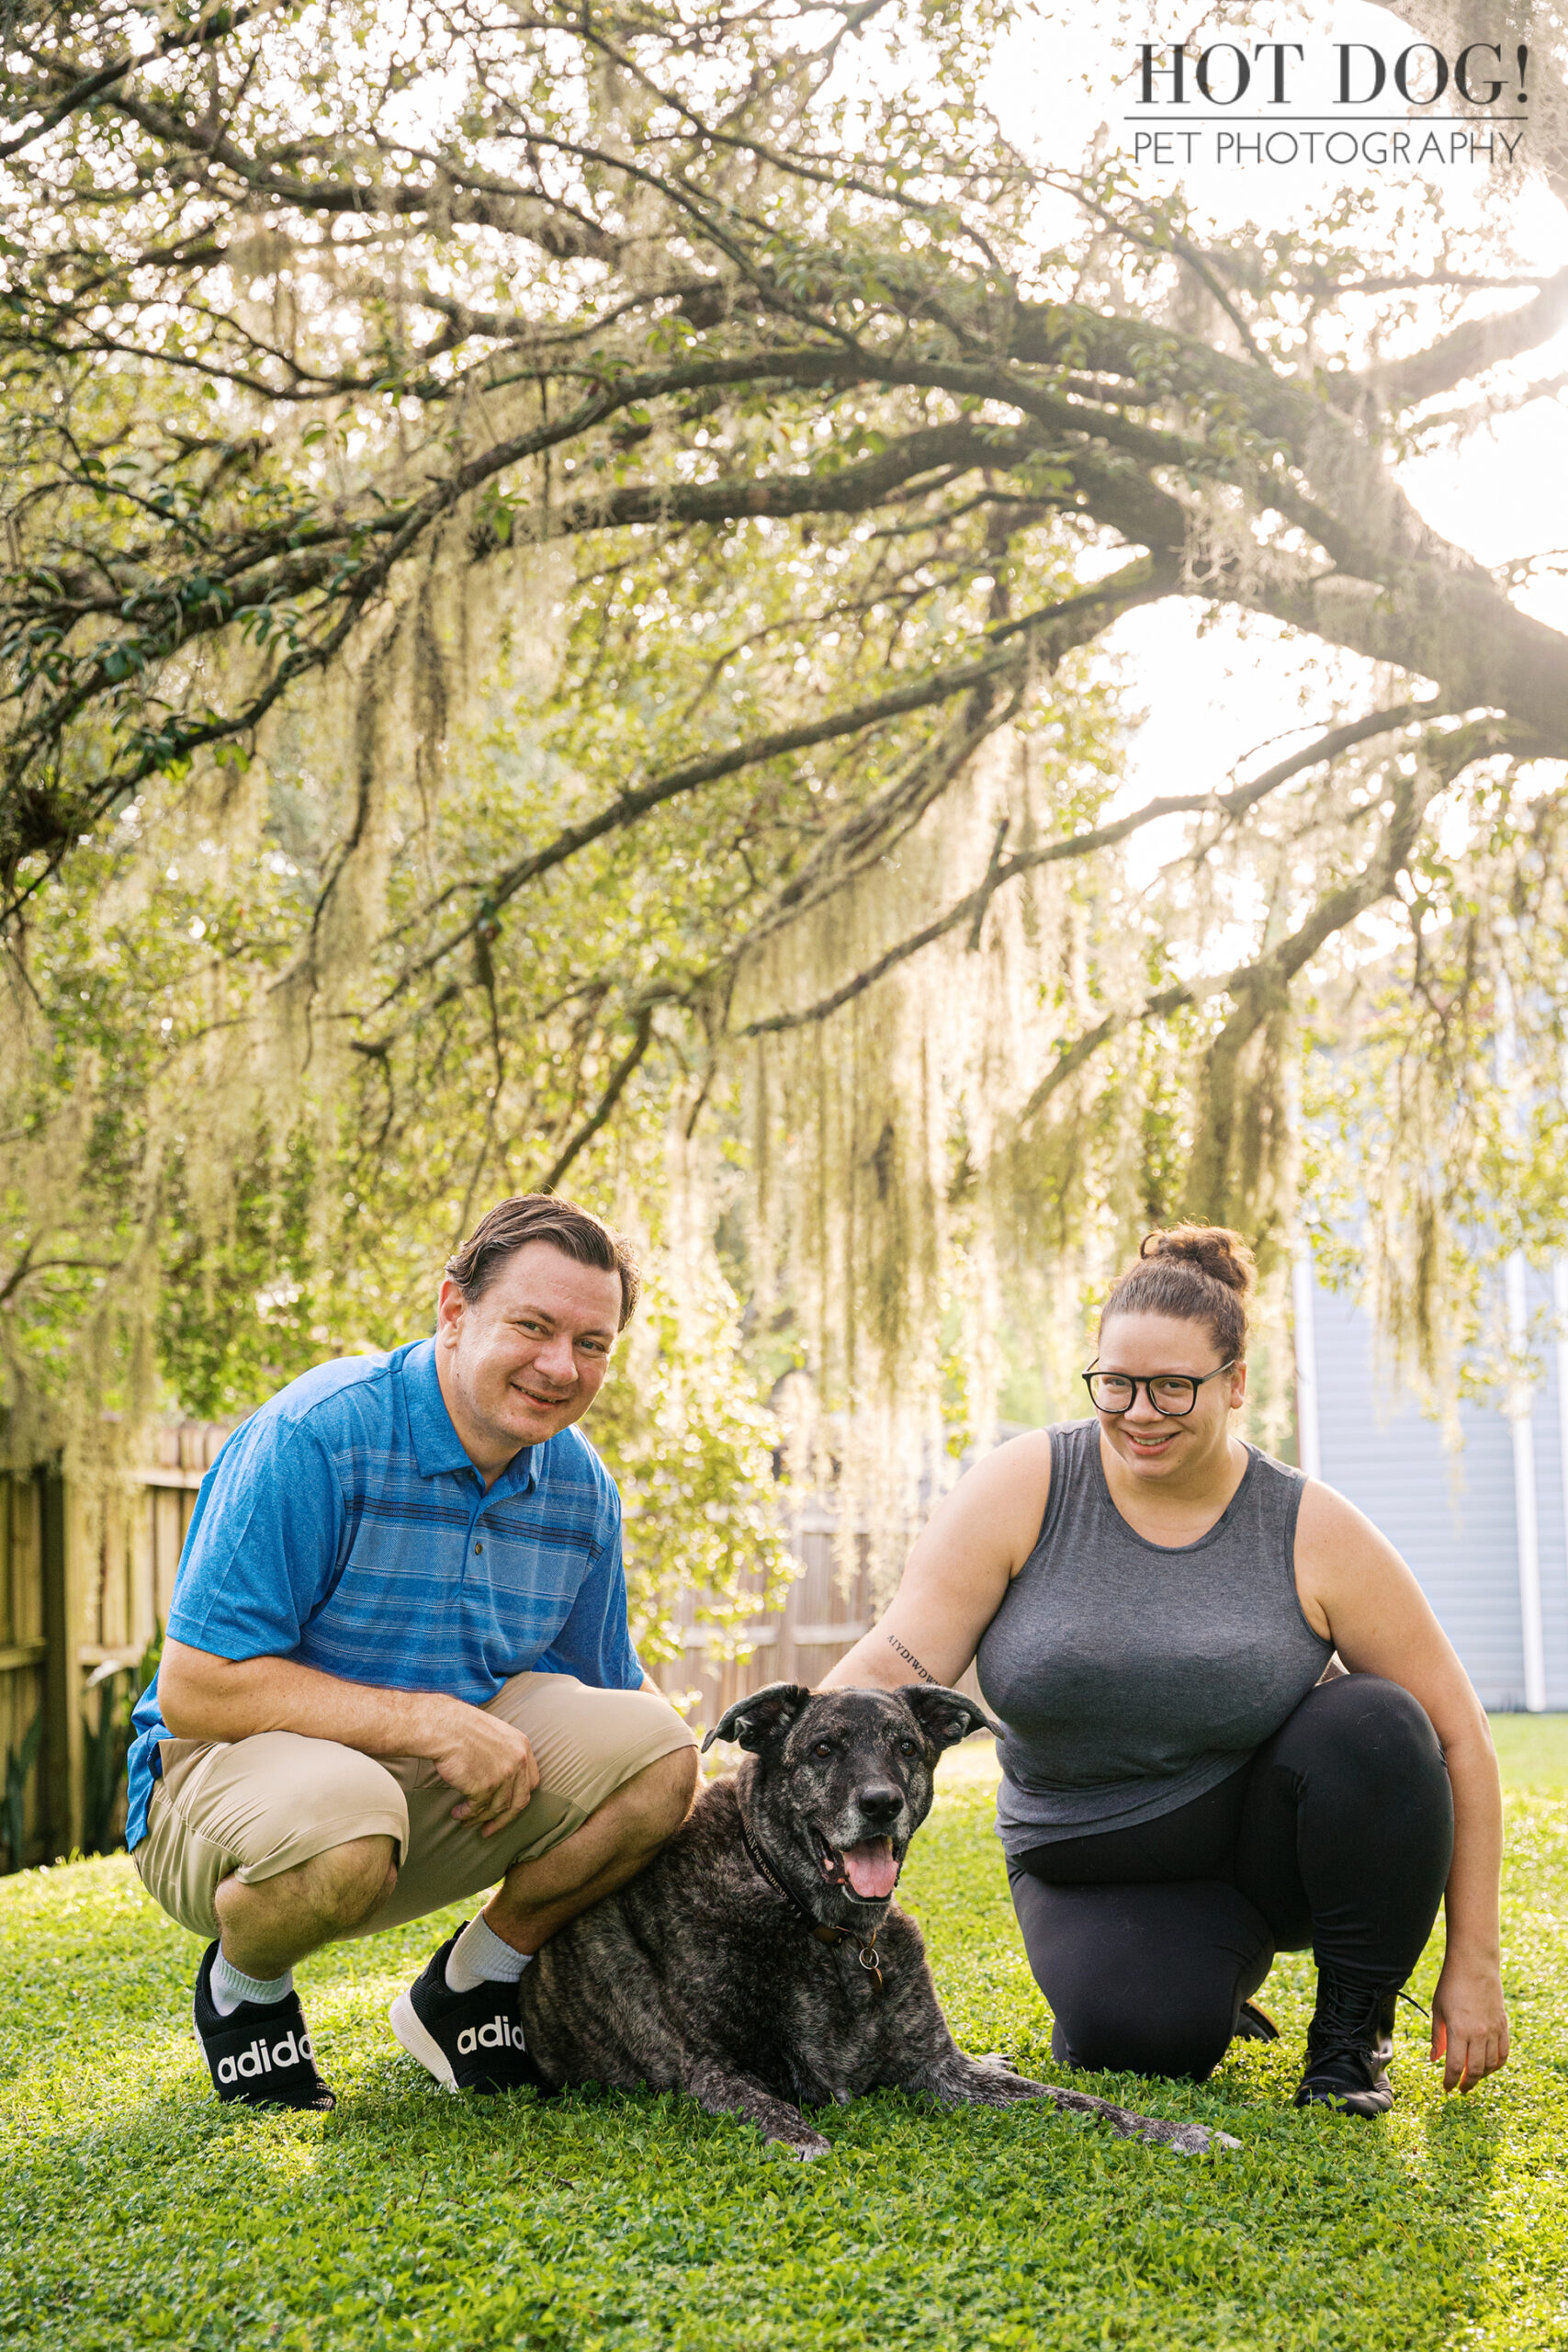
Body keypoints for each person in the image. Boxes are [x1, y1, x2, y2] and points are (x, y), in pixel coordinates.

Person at [821, 1225, 1510, 2116]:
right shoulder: (1027, 1484)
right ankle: (1190, 1976)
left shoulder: (1309, 1525)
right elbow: (895, 1661)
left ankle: (1349, 2042)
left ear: (1236, 1384)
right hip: (1083, 1858)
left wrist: (1475, 1961)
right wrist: (775, 1764)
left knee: (1380, 1721)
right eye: (1117, 1382)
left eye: (1175, 1386)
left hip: (1263, 1845)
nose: (1140, 1412)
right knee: (1149, 2042)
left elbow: (1460, 1735)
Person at [126, 1193, 699, 2110]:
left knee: (667, 1756)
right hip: (213, 1791)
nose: (560, 1366)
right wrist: (427, 1721)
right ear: (453, 1309)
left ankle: (474, 1985)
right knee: (347, 1822)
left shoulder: (580, 1486)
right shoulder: (317, 1433)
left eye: (592, 1344)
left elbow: (615, 1703)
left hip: (415, 1796)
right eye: (533, 1326)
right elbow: (195, 1688)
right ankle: (248, 1990)